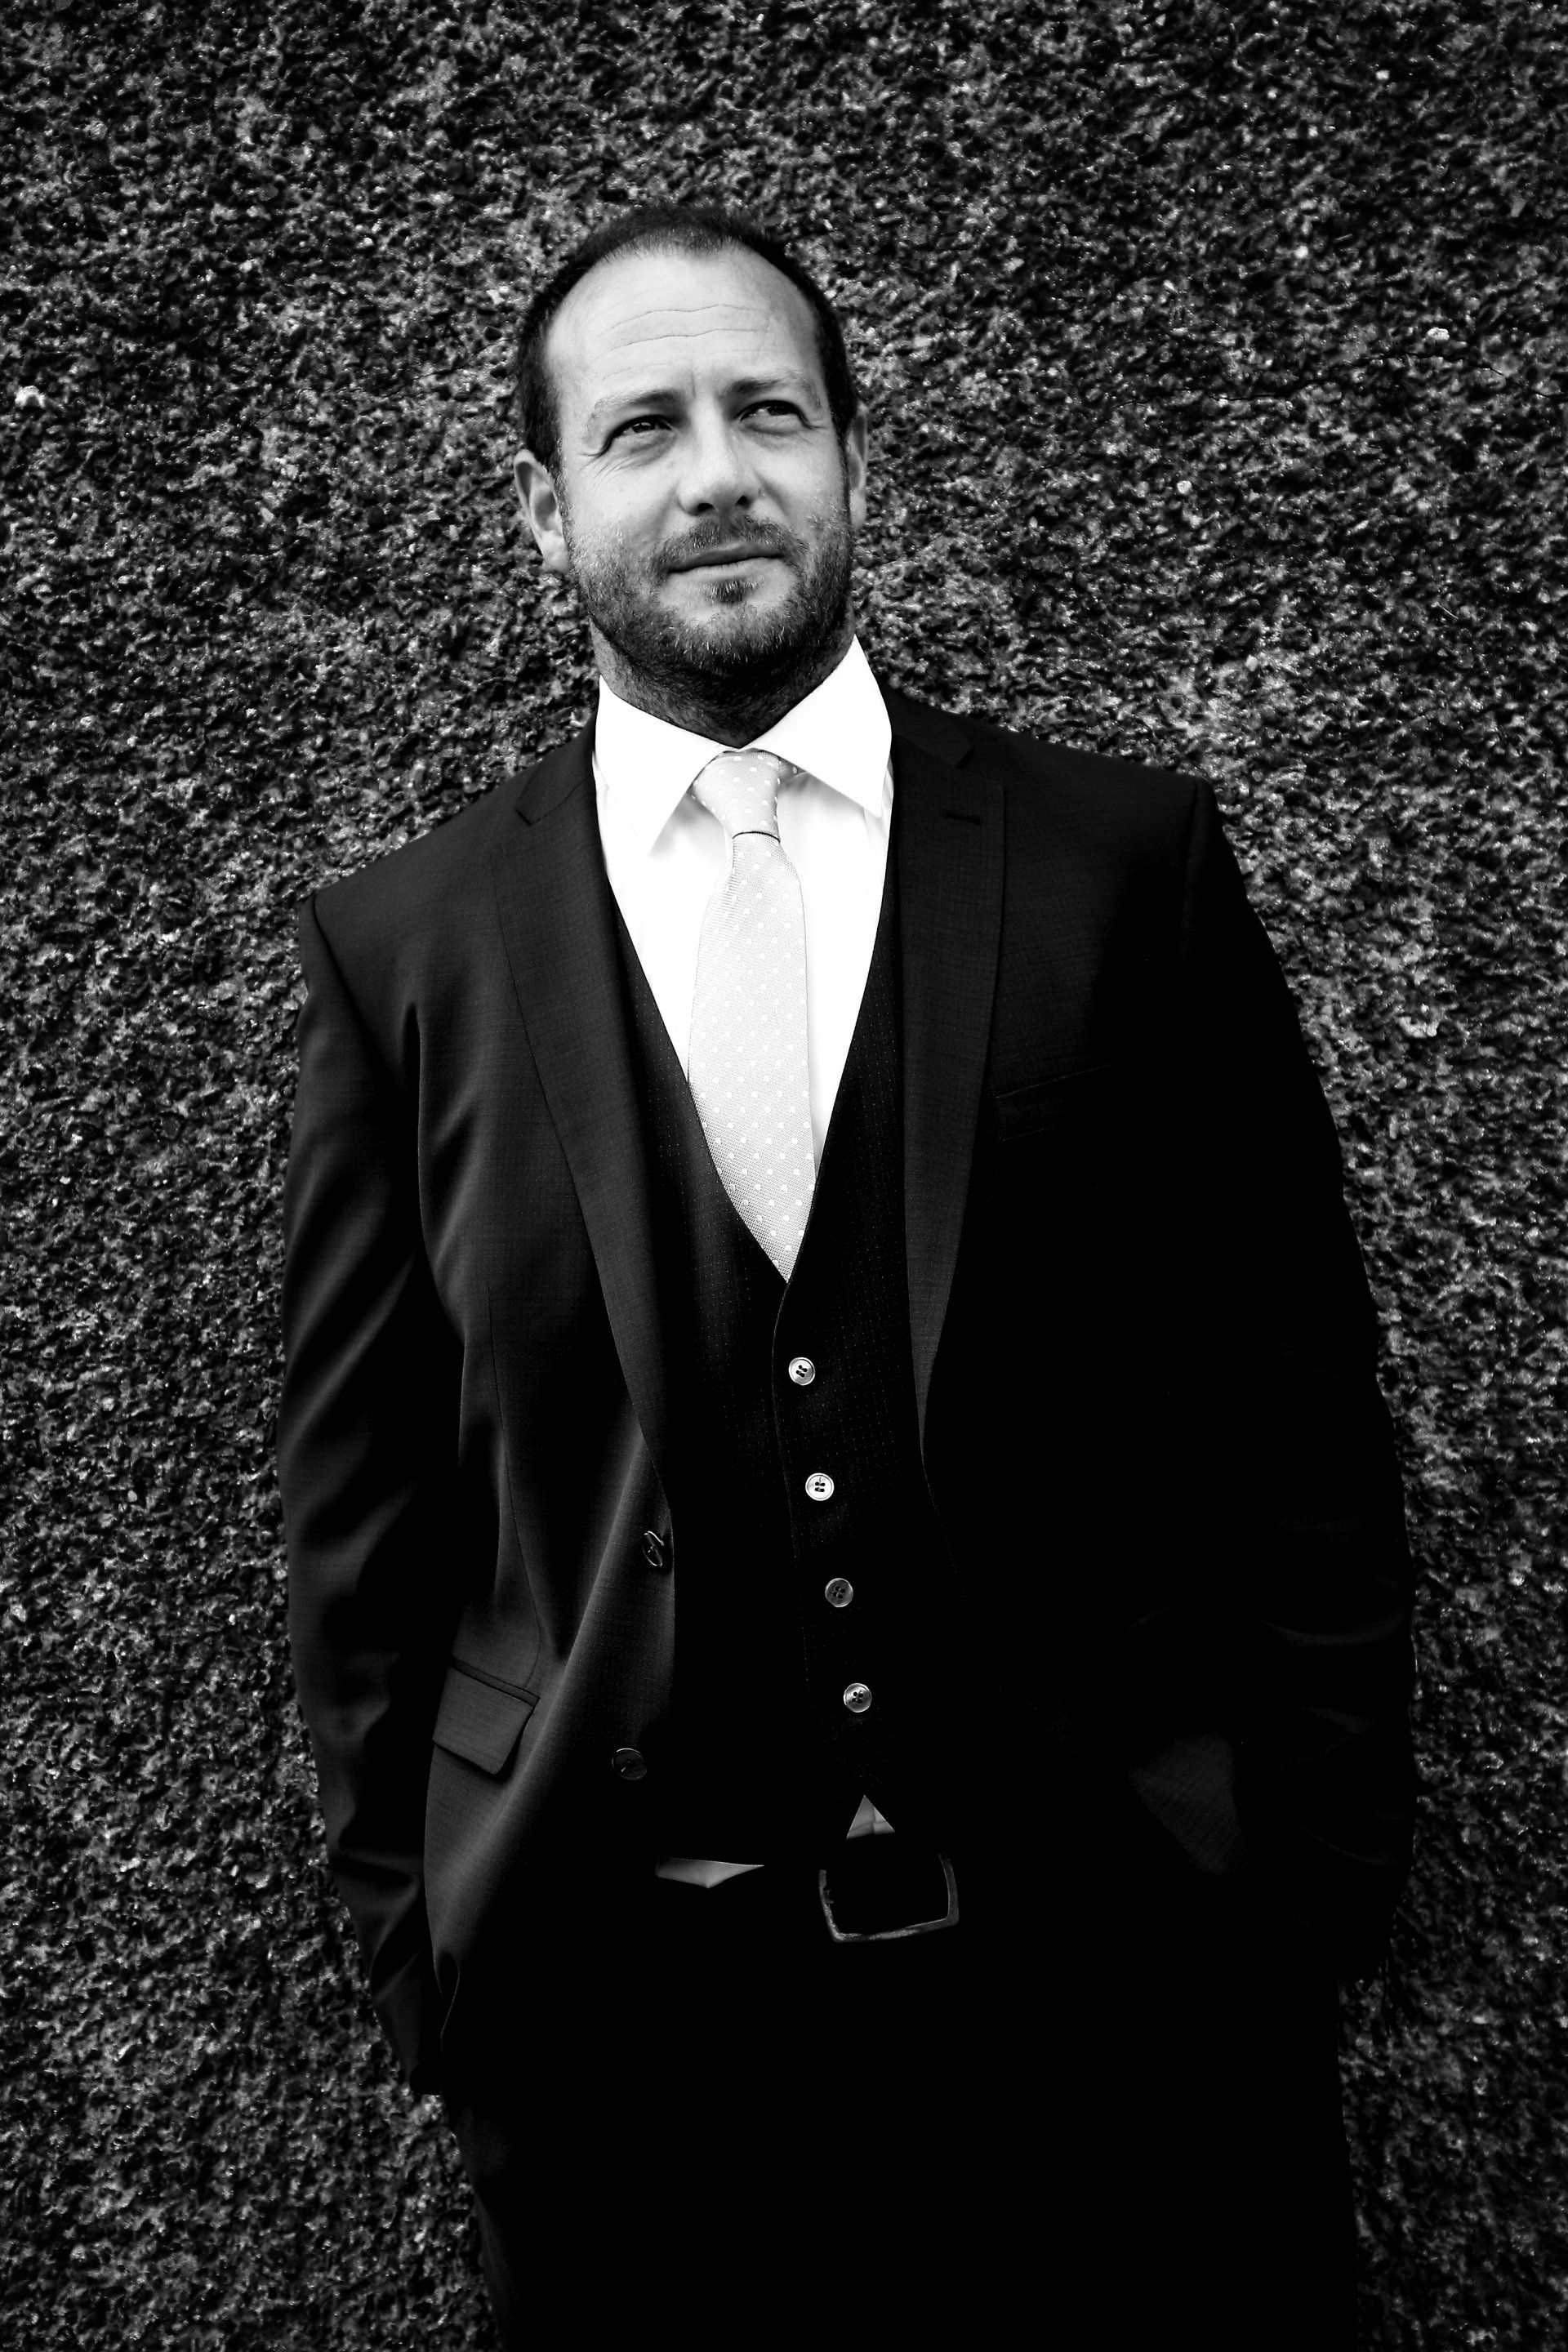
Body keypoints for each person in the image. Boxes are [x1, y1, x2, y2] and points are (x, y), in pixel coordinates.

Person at [278, 203, 1417, 2349]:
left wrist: (1306, 1891)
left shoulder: (1122, 866)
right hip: (628, 2068)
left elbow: (1298, 1422)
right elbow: (363, 1523)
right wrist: (435, 1973)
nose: (716, 470)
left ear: (852, 461)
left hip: (1131, 2020)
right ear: (545, 510)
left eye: (769, 412)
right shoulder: (405, 949)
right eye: (643, 428)